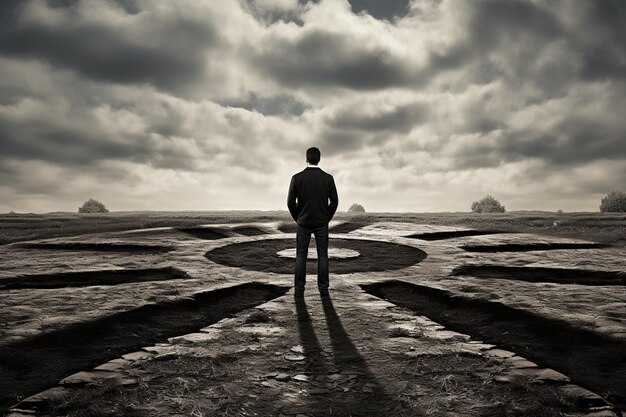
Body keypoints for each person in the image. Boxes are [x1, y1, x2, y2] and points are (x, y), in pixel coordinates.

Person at [287, 147, 339, 297]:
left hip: (303, 222)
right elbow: (334, 202)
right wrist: (326, 217)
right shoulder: (328, 178)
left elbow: (290, 203)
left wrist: (299, 218)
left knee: (301, 255)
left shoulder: (297, 178)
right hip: (321, 222)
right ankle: (323, 288)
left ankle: (299, 288)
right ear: (319, 158)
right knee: (322, 254)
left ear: (306, 158)